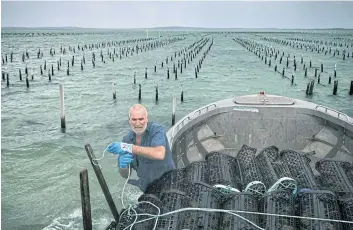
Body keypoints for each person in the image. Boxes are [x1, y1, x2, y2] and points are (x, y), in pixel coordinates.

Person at [107, 104, 176, 192]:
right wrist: (123, 167)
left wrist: (129, 147)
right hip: (146, 188)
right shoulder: (127, 139)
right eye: (134, 119)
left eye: (141, 119)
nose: (137, 123)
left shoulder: (156, 130)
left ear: (147, 118)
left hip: (169, 184)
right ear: (129, 121)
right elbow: (125, 175)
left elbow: (160, 154)